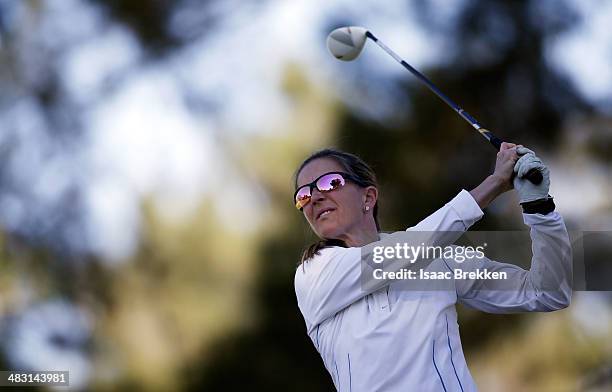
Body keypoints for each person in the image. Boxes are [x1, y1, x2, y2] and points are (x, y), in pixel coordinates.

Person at [293, 144, 572, 391]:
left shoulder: (439, 260)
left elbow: (546, 292)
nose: (315, 196)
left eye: (330, 182)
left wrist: (540, 209)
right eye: (303, 195)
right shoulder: (313, 275)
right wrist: (494, 184)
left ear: (368, 198)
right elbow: (405, 252)